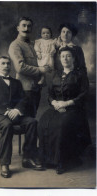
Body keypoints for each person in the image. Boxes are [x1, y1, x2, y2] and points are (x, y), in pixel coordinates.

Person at [0, 56, 43, 178]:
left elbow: (23, 99)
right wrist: (5, 111)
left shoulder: (17, 82)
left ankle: (28, 158)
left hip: (15, 113)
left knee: (32, 122)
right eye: (3, 63)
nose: (6, 66)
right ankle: (4, 163)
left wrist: (17, 109)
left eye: (8, 64)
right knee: (7, 124)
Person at [38, 46, 91, 174]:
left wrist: (66, 103)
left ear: (73, 58)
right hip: (57, 107)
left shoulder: (80, 74)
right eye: (62, 56)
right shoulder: (56, 74)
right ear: (60, 59)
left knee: (62, 125)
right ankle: (47, 159)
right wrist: (55, 103)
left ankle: (63, 161)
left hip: (74, 109)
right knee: (43, 121)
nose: (65, 58)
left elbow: (84, 94)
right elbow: (49, 94)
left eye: (68, 56)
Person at [8, 17, 49, 118]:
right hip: (24, 88)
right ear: (18, 28)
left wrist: (43, 73)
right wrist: (40, 70)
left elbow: (39, 62)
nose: (26, 28)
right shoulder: (15, 45)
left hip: (36, 88)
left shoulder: (33, 45)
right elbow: (20, 67)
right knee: (27, 120)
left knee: (32, 117)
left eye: (29, 26)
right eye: (24, 25)